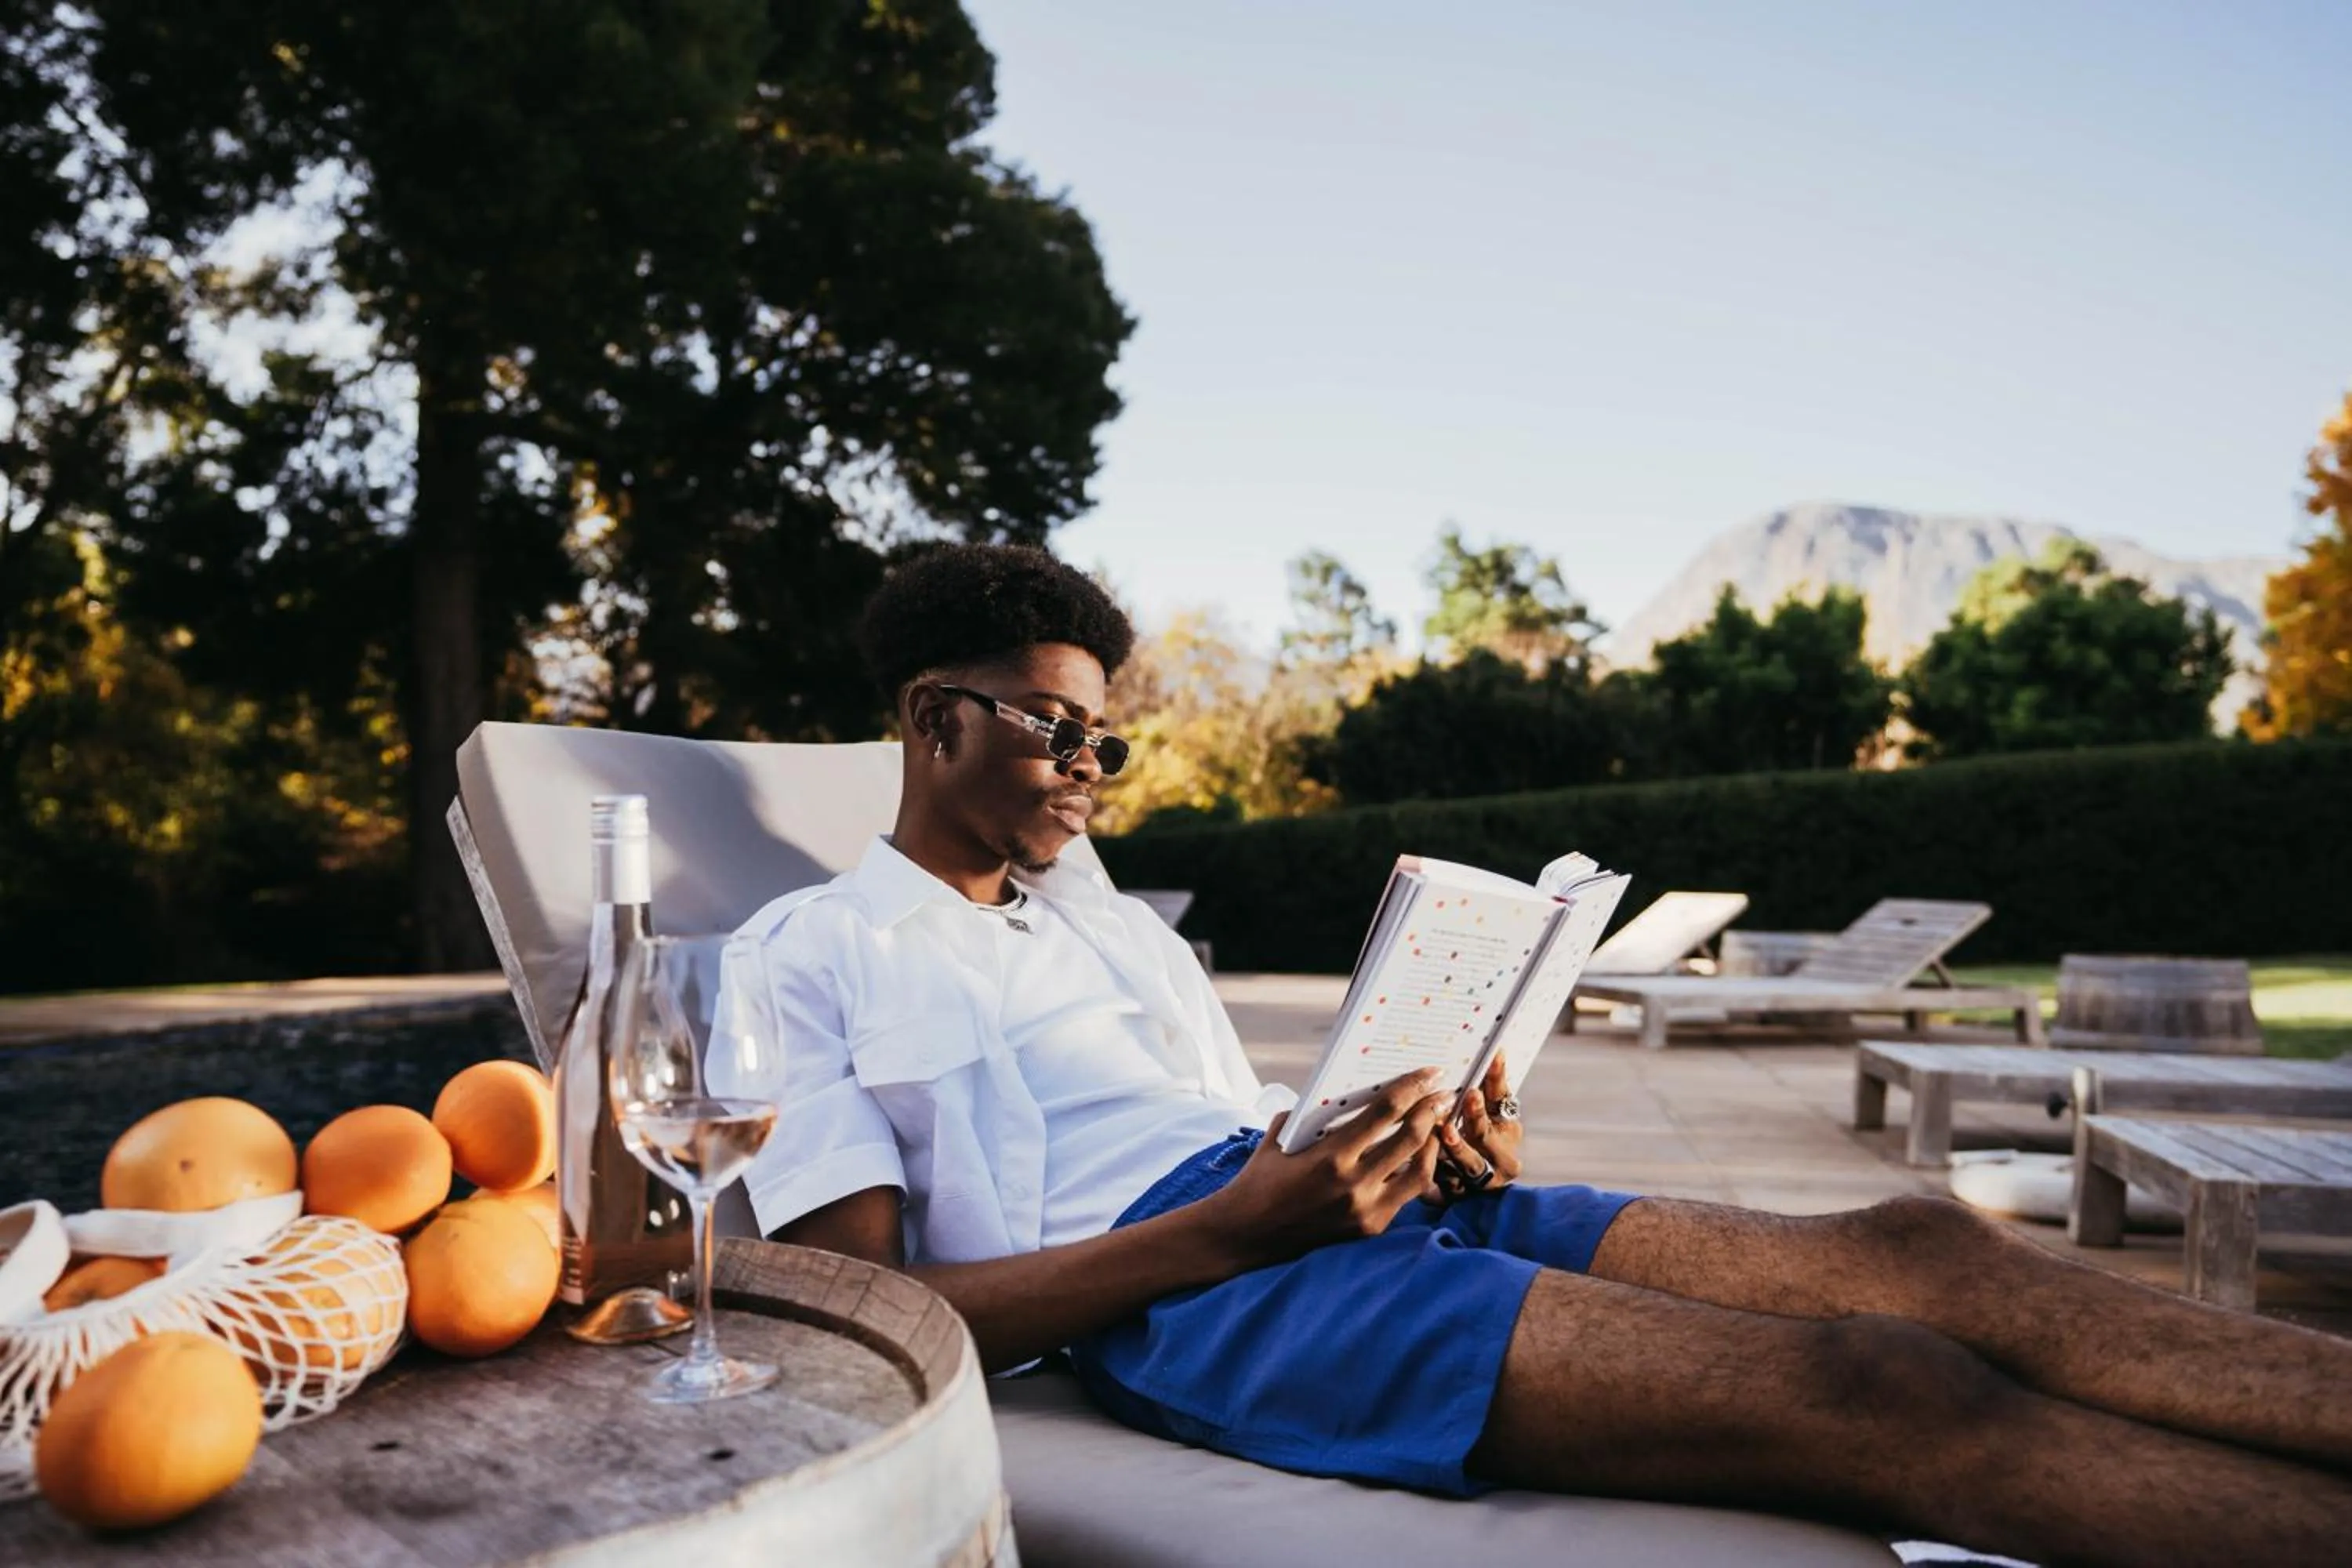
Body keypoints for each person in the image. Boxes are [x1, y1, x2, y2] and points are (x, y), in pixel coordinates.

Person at [723, 543, 2351, 1568]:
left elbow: (1245, 1125)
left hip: (1316, 1201)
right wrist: (1238, 1227)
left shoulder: (1115, 929)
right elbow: (869, 1310)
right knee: (1881, 1386)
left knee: (1928, 1251)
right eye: (1052, 727)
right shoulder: (804, 951)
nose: (1090, 765)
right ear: (934, 721)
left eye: (1106, 737)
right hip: (1197, 1292)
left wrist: (1423, 1133)